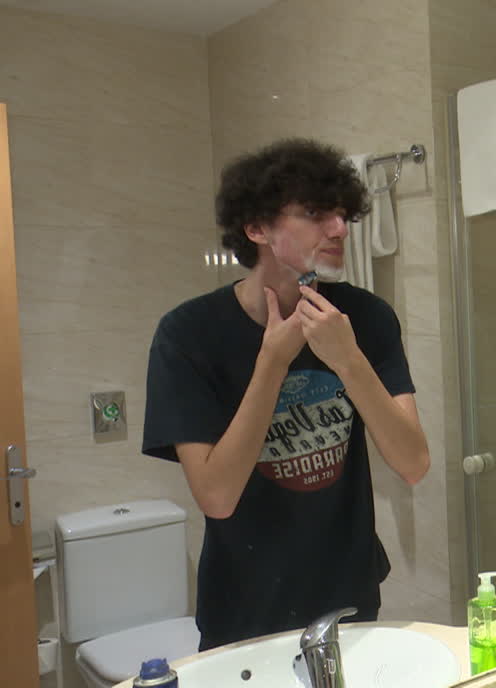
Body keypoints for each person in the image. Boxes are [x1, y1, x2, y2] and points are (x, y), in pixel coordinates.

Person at [142, 138, 430, 650]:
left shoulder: (365, 319)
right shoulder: (188, 334)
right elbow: (216, 496)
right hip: (244, 606)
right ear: (256, 227)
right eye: (315, 213)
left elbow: (413, 463)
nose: (340, 229)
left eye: (342, 214)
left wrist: (348, 359)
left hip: (350, 597)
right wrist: (272, 361)